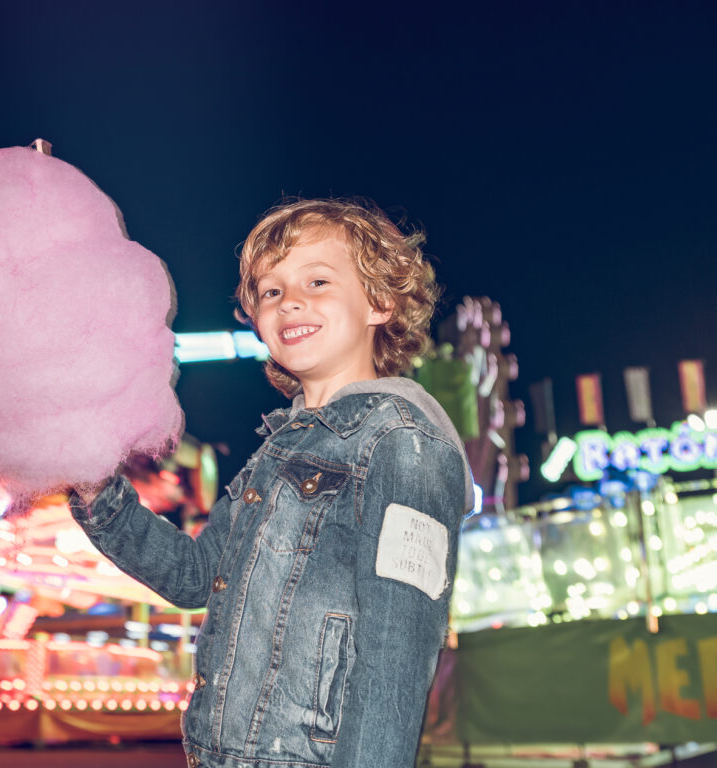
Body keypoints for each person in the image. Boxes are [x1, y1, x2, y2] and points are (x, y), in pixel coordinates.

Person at [69, 198, 475, 768]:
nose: (291, 302)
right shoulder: (279, 449)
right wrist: (96, 495)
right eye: (271, 291)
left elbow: (397, 656)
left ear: (379, 302)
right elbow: (195, 577)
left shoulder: (404, 443)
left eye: (317, 280)